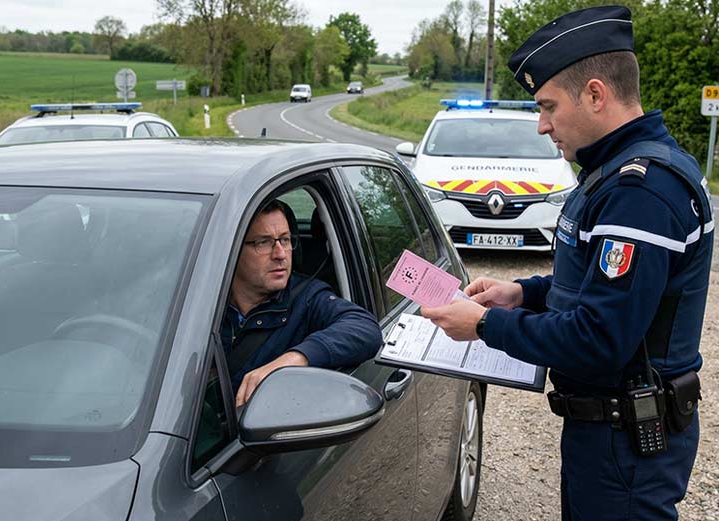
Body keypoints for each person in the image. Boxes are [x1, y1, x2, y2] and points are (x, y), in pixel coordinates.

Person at [421, 6, 711, 520]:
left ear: (596, 94)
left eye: (548, 106)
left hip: (626, 445)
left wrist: (486, 324)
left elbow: (600, 339)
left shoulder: (640, 189)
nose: (542, 125)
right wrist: (526, 293)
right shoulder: (613, 171)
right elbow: (605, 284)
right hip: (608, 434)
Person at [221, 199, 382, 407]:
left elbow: (365, 328)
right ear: (232, 250)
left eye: (285, 240)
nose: (280, 254)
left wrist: (293, 360)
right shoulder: (203, 302)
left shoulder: (307, 298)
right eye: (264, 242)